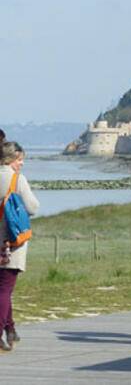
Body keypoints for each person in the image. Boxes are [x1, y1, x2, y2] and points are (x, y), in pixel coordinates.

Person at [0, 142, 39, 352]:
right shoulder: (17, 179)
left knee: (2, 290)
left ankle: (11, 329)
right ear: (10, 159)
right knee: (5, 289)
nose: (22, 163)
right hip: (10, 242)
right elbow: (33, 207)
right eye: (19, 159)